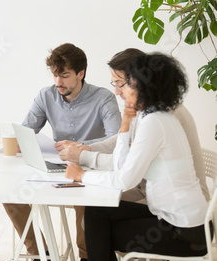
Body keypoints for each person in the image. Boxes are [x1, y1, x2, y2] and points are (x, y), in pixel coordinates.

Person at [66, 53, 209, 260]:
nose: (118, 91)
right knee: (96, 212)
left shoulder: (156, 122)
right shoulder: (150, 114)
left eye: (123, 84)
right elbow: (121, 165)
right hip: (168, 215)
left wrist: (82, 176)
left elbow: (125, 180)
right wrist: (124, 126)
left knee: (100, 233)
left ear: (143, 86)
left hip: (187, 232)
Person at [3, 43, 122, 260]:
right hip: (55, 167)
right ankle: (40, 252)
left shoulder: (104, 97)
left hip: (90, 168)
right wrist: (23, 141)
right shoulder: (45, 96)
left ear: (81, 73)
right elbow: (27, 130)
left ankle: (86, 255)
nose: (58, 82)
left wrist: (80, 146)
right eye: (55, 75)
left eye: (65, 75)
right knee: (10, 195)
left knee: (85, 200)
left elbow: (118, 139)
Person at [58, 48, 209, 203]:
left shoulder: (161, 115)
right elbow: (126, 140)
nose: (116, 92)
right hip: (150, 190)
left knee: (99, 207)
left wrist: (84, 159)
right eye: (114, 84)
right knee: (95, 206)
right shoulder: (147, 107)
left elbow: (126, 167)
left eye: (120, 84)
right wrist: (88, 148)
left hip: (177, 200)